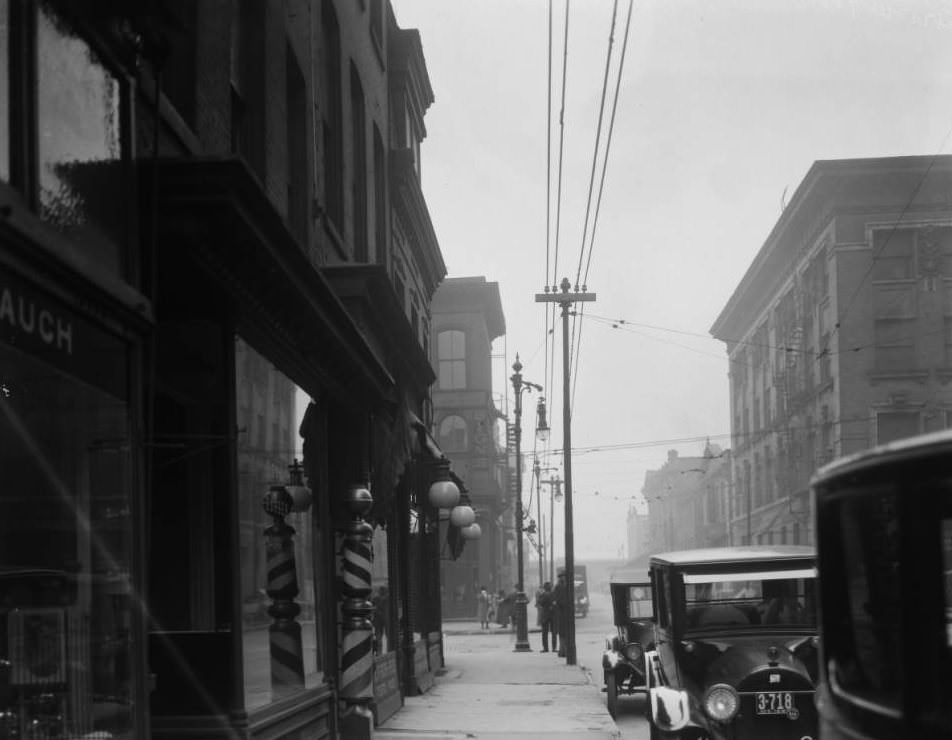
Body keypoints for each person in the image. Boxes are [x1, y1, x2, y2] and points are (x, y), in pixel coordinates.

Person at [552, 571, 568, 656]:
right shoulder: (559, 587)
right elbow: (556, 599)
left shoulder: (563, 586)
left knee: (564, 633)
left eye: (564, 576)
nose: (564, 578)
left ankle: (563, 650)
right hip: (561, 612)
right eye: (563, 577)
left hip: (564, 612)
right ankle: (562, 651)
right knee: (562, 632)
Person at [536, 581, 555, 652]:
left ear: (544, 588)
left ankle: (546, 648)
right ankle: (554, 648)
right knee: (554, 632)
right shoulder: (553, 594)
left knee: (544, 633)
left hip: (545, 615)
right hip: (553, 614)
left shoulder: (543, 594)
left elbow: (539, 602)